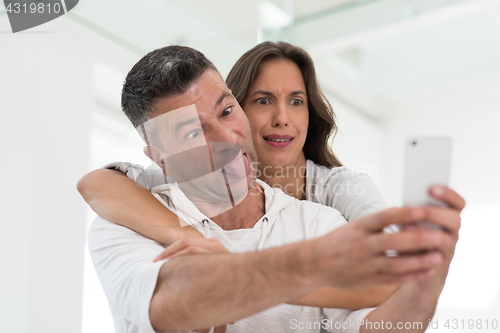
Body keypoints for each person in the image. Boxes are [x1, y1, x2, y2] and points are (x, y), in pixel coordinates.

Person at [84, 45, 464, 333]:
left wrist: (422, 289)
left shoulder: (319, 220)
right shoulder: (122, 227)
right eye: (193, 132)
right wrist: (315, 264)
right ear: (160, 158)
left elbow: (376, 321)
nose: (228, 139)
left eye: (227, 111)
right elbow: (170, 304)